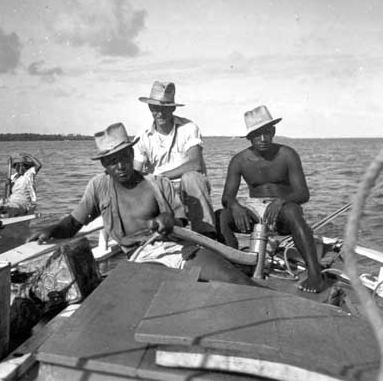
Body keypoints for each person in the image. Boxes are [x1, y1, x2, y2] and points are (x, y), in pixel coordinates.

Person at [28, 122, 255, 285]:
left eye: (123, 157)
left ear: (131, 154)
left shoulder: (157, 183)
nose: (120, 166)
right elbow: (73, 223)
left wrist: (169, 220)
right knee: (163, 288)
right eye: (111, 161)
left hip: (179, 248)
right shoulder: (98, 187)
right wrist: (52, 230)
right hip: (141, 257)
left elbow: (182, 221)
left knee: (237, 282)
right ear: (104, 165)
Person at [218, 105, 325, 293]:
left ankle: (315, 274)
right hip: (254, 209)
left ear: (273, 131)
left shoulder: (287, 155)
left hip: (283, 211)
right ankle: (235, 263)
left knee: (292, 211)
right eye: (257, 135)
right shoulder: (239, 160)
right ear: (249, 137)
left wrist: (281, 200)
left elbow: (303, 193)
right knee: (221, 216)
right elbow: (227, 197)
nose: (262, 139)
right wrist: (235, 206)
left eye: (266, 133)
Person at [133, 81, 216, 237]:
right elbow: (136, 171)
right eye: (155, 108)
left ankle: (207, 234)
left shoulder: (189, 128)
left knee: (192, 177)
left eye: (165, 109)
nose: (159, 113)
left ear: (173, 108)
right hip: (160, 189)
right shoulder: (142, 135)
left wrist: (162, 177)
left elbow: (195, 163)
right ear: (150, 108)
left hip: (187, 188)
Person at [0, 153, 42, 218]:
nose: (20, 168)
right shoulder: (12, 177)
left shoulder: (29, 174)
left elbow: (39, 165)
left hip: (23, 202)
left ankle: (6, 213)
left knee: (12, 208)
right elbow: (7, 195)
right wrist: (7, 185)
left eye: (22, 165)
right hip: (11, 200)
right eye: (18, 166)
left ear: (26, 166)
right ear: (15, 167)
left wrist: (28, 155)